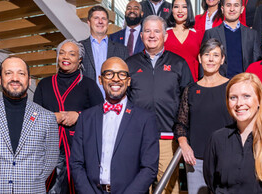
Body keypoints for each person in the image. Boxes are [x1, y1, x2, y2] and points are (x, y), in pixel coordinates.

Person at [0, 57, 59, 193]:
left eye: (21, 73)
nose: (15, 78)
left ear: (29, 80)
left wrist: (32, 181)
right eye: (8, 73)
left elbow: (51, 159)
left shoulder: (47, 118)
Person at [70, 57, 159, 193]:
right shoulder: (85, 118)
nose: (116, 79)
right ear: (100, 80)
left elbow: (149, 168)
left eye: (122, 74)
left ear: (128, 81)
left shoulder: (146, 119)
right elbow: (76, 164)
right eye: (109, 74)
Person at [126, 15, 193, 194]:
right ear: (141, 36)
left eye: (157, 31)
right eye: (147, 31)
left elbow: (188, 101)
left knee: (169, 187)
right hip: (138, 137)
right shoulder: (129, 65)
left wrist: (183, 133)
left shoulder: (178, 63)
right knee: (138, 185)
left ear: (165, 35)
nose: (152, 35)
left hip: (168, 138)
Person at [203, 72, 262, 193]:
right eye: (233, 97)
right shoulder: (217, 140)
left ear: (259, 100)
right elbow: (212, 182)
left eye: (246, 96)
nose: (239, 103)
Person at [33, 39, 103, 194]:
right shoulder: (44, 84)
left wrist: (79, 116)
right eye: (62, 53)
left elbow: (101, 114)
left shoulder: (89, 85)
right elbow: (33, 118)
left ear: (79, 60)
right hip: (49, 151)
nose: (66, 57)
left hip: (79, 150)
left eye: (72, 54)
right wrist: (51, 117)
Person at [174, 39, 232, 194]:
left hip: (227, 158)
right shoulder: (191, 90)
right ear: (200, 58)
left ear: (222, 59)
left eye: (215, 55)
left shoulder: (232, 87)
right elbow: (181, 124)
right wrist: (184, 146)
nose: (211, 59)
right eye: (207, 54)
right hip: (196, 160)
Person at [203, 0, 261, 79]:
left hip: (244, 82)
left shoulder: (252, 34)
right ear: (222, 9)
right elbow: (204, 62)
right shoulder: (211, 33)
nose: (232, 9)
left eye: (236, 5)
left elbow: (257, 63)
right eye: (228, 5)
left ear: (242, 9)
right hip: (217, 84)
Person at [80, 6, 128, 95]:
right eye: (96, 18)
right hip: (87, 103)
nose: (100, 21)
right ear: (89, 22)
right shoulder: (79, 48)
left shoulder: (122, 49)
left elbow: (127, 79)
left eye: (104, 19)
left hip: (114, 101)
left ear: (107, 23)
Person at [166, 0, 202, 81]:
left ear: (189, 9)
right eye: (176, 7)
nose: (180, 11)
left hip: (193, 83)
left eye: (184, 7)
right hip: (169, 82)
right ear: (172, 10)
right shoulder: (164, 34)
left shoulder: (199, 34)